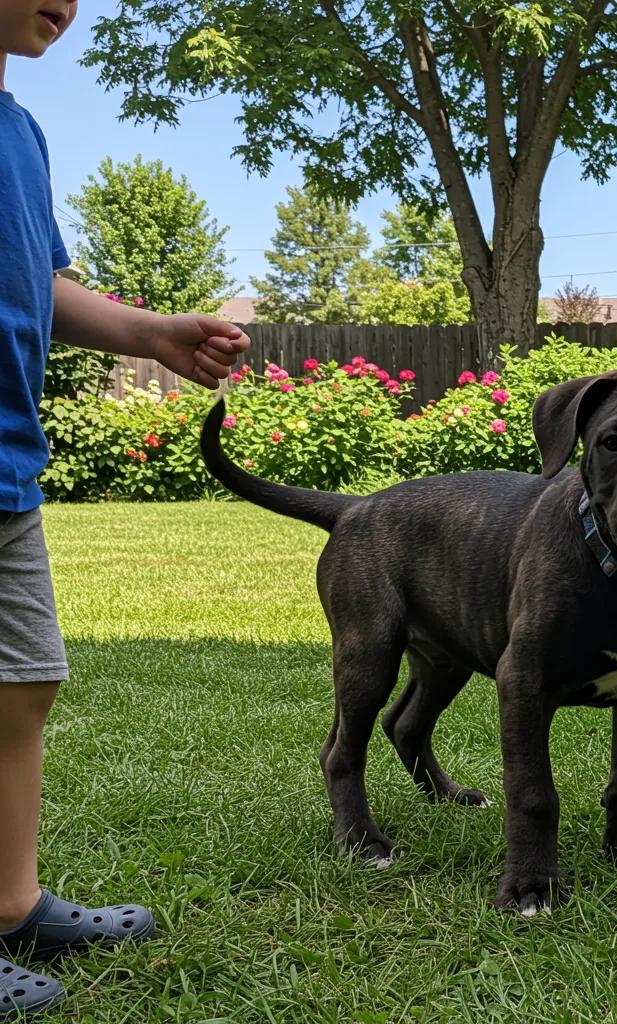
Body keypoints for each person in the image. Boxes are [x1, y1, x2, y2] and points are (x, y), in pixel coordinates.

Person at [0, 1, 251, 1015]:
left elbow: (41, 283)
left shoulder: (22, 133)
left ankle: (12, 904)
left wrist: (151, 334)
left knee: (23, 684)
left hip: (7, 464)